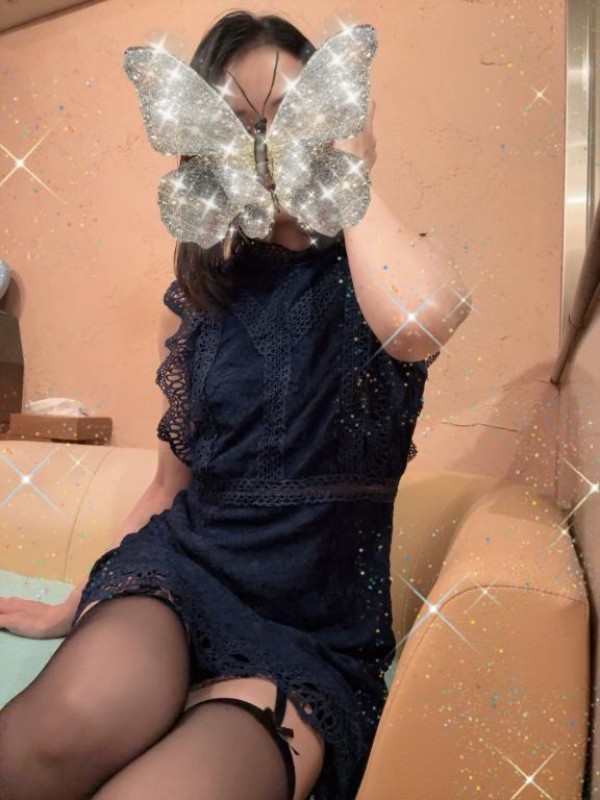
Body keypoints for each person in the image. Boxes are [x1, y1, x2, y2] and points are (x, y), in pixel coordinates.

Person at [0, 11, 469, 800]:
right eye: (238, 123)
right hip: (175, 579)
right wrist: (68, 607)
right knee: (57, 730)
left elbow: (421, 322)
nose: (265, 144)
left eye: (290, 114)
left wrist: (349, 169)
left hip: (310, 634)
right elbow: (168, 490)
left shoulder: (387, 272)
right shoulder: (197, 303)